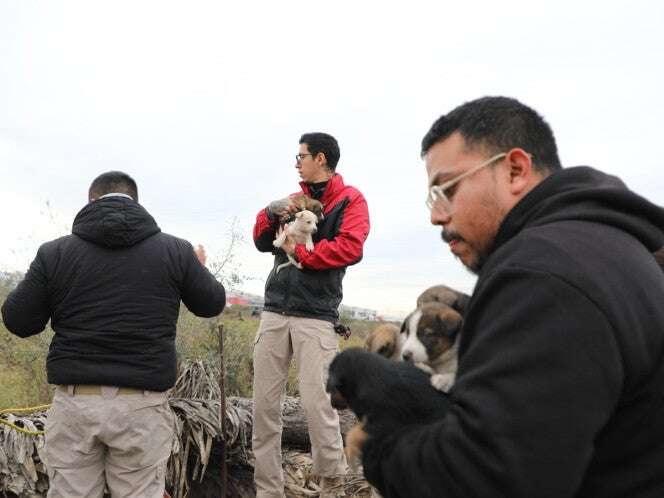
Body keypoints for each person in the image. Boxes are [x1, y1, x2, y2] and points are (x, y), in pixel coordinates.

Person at [361, 96, 664, 497]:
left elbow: (486, 477)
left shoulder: (541, 275)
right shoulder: (617, 249)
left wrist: (379, 441)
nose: (436, 215)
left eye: (446, 188)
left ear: (515, 170)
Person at [1, 171, 226, 498]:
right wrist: (198, 266)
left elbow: (18, 321)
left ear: (91, 201)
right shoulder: (176, 251)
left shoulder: (55, 254)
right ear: (136, 202)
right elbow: (212, 304)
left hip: (77, 403)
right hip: (143, 408)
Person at [252, 132, 370, 498]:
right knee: (264, 411)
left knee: (319, 407)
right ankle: (267, 492)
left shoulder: (351, 200)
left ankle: (332, 488)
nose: (296, 162)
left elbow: (350, 247)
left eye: (300, 155)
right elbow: (260, 240)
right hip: (274, 312)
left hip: (316, 316)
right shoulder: (291, 200)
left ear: (320, 158)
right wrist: (268, 214)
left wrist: (302, 255)